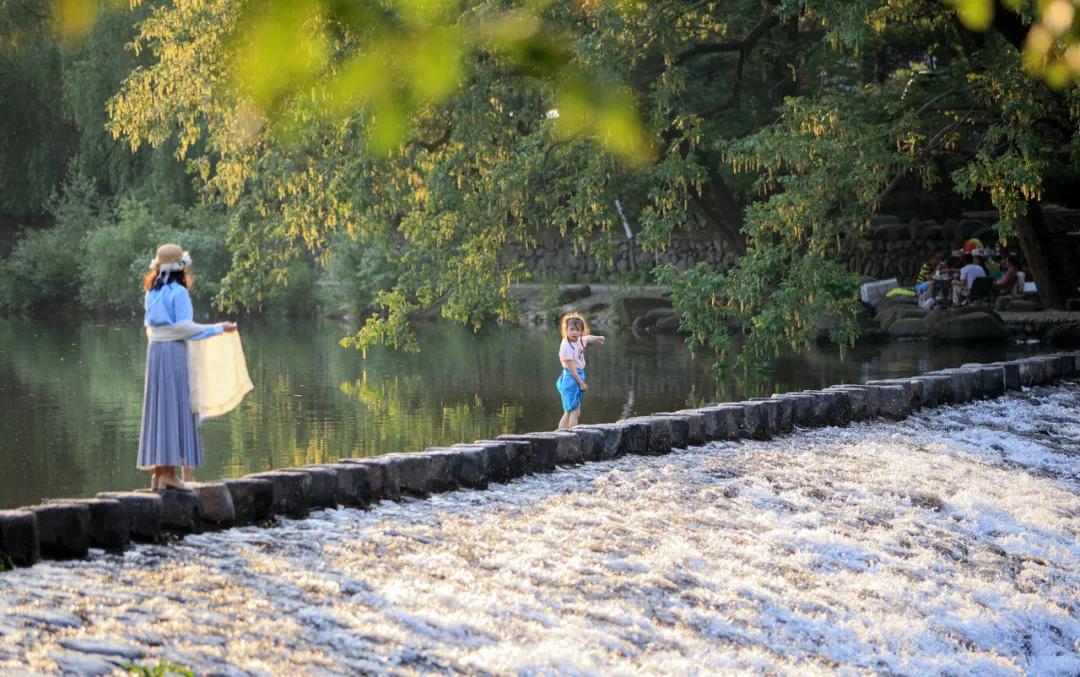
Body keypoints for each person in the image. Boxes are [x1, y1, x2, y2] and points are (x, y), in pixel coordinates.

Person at [138, 244, 237, 490]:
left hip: (156, 353)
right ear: (181, 269)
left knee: (160, 409)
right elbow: (186, 328)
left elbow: (155, 327)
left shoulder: (152, 292)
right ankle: (170, 475)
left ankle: (159, 475)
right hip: (172, 353)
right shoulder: (179, 292)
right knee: (174, 408)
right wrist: (219, 328)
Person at [555, 313, 605, 429]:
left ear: (581, 331)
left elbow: (587, 338)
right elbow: (571, 367)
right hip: (571, 378)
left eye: (578, 330)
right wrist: (581, 383)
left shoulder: (578, 341)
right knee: (572, 411)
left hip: (576, 376)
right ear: (566, 330)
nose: (574, 333)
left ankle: (565, 433)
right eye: (571, 329)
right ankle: (570, 433)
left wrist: (598, 338)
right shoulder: (566, 345)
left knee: (574, 411)